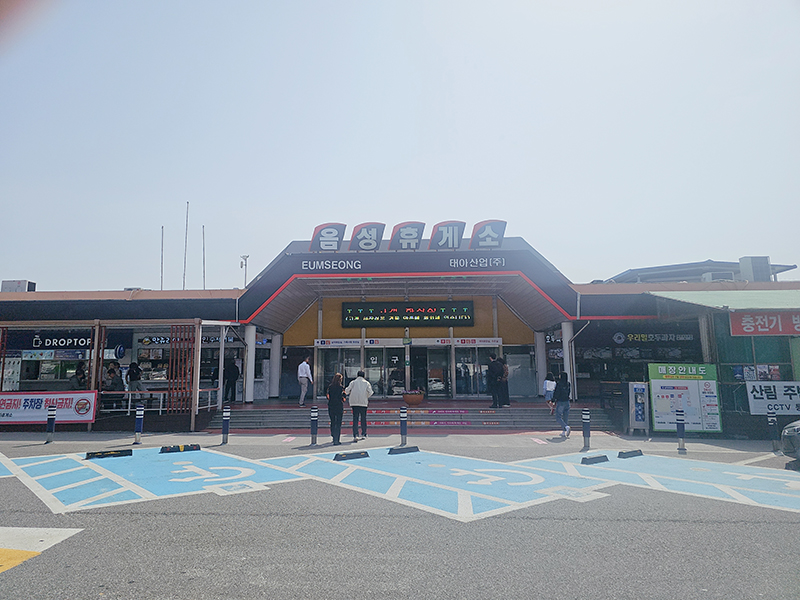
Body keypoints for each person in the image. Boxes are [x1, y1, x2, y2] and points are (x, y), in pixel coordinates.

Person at [345, 370, 373, 442]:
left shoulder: (353, 382)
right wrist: (366, 396)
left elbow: (347, 391)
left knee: (355, 419)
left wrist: (350, 393)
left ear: (357, 375)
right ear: (364, 376)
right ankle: (364, 434)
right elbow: (370, 392)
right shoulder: (366, 383)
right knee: (363, 418)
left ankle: (355, 435)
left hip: (354, 403)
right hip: (363, 403)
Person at [326, 373, 346, 445]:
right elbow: (344, 397)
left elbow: (327, 396)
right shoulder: (341, 388)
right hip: (339, 406)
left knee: (333, 421)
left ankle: (333, 434)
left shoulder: (330, 387)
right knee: (338, 423)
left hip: (331, 405)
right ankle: (337, 439)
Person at [553, 372, 571, 437]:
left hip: (561, 401)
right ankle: (564, 432)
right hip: (567, 401)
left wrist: (553, 399)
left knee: (558, 417)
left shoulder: (559, 384)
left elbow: (557, 392)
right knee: (565, 417)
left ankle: (566, 427)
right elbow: (569, 392)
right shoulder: (568, 384)